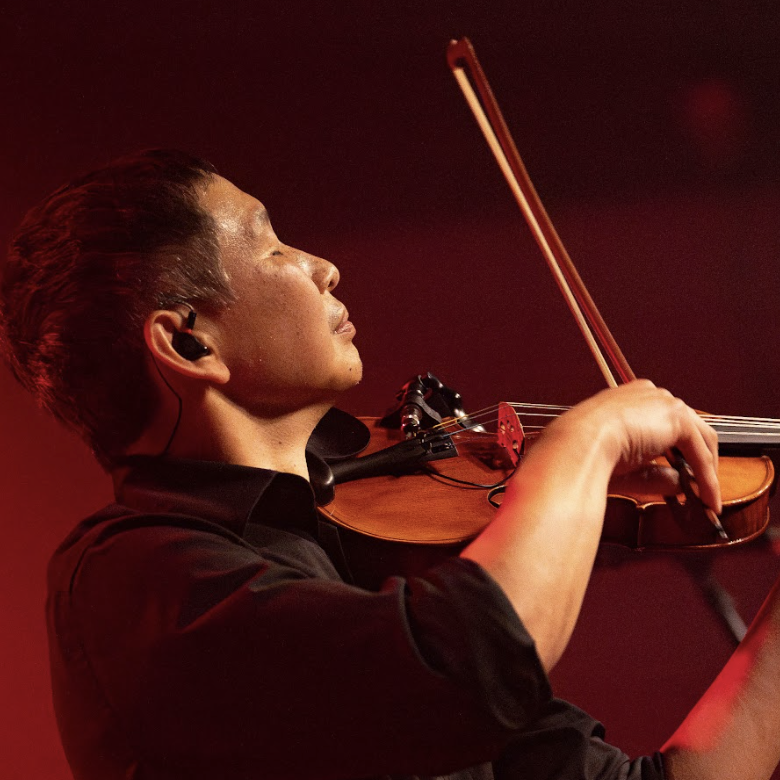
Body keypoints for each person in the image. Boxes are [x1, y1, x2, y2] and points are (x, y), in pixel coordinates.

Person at [1, 149, 778, 780]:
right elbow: (469, 665)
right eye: (273, 247)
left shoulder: (363, 559)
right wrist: (588, 439)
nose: (323, 267)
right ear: (189, 343)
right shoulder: (132, 576)